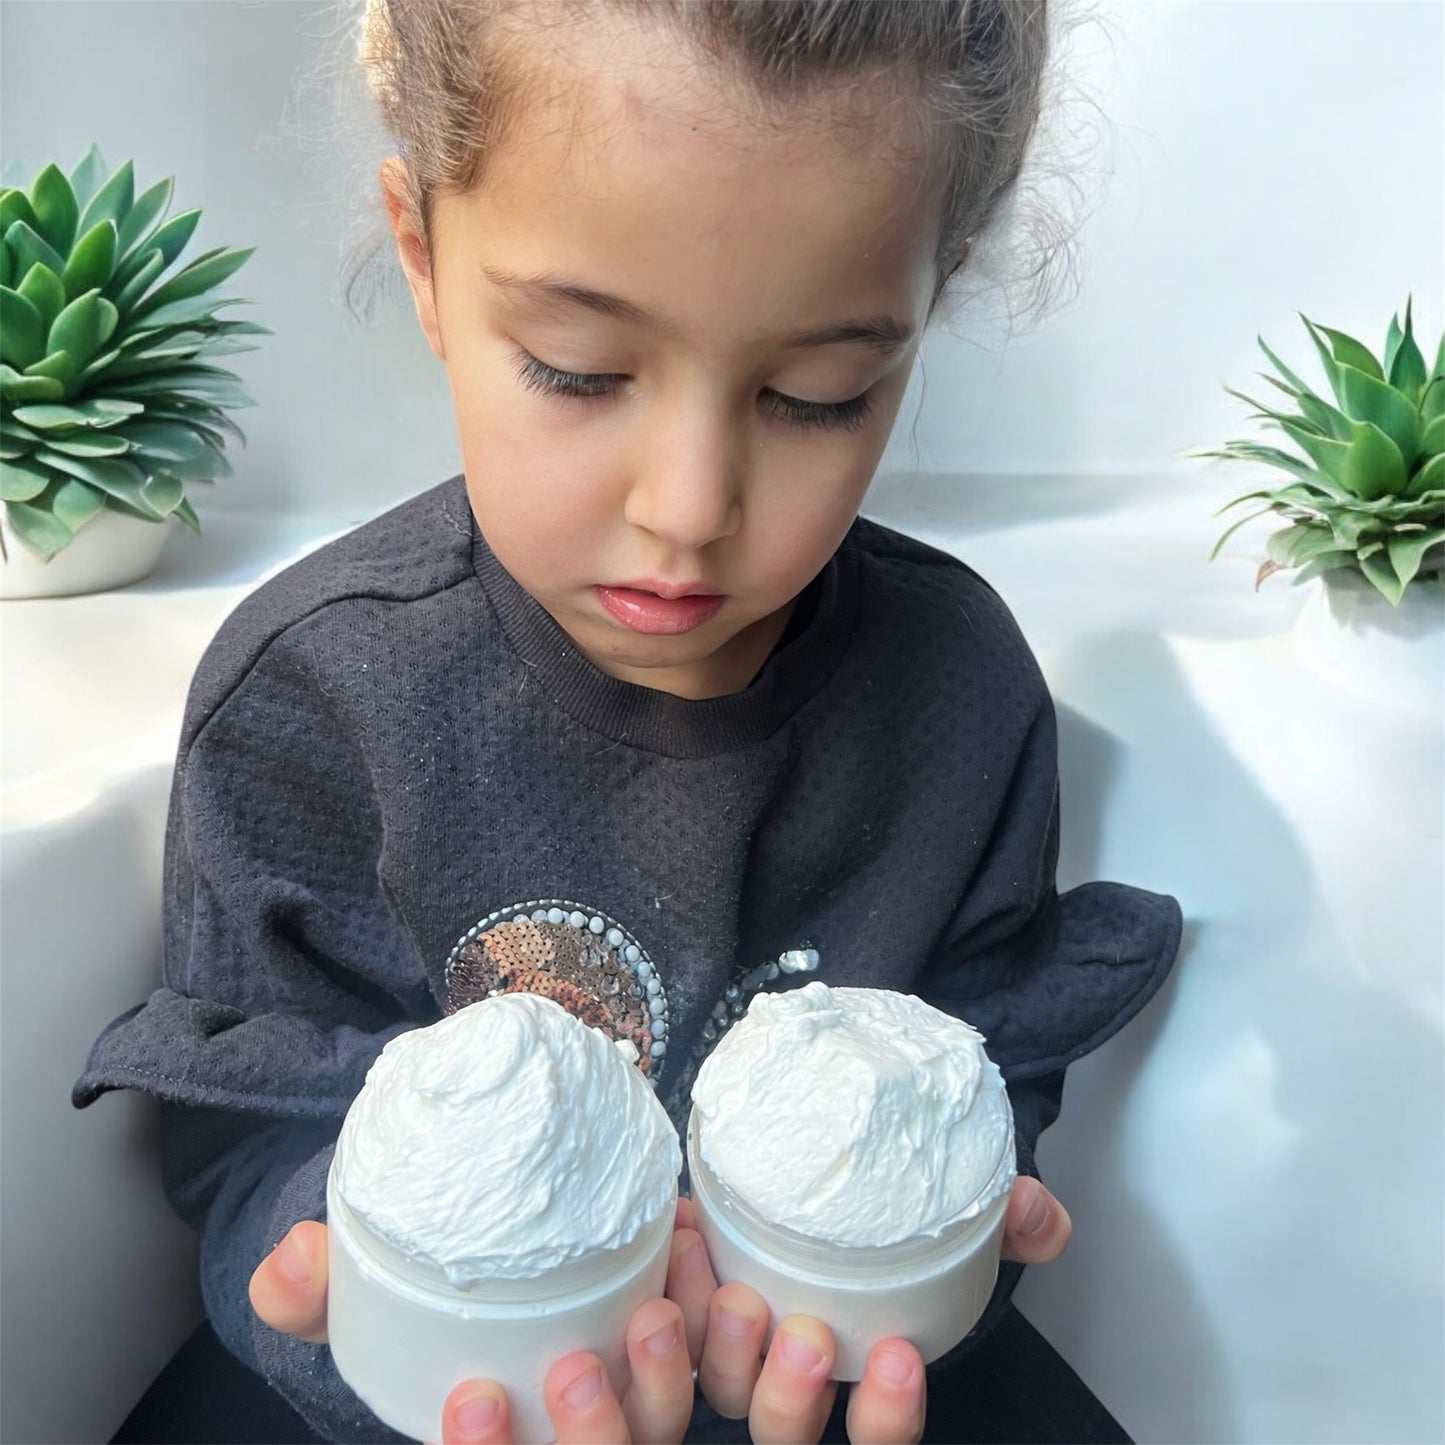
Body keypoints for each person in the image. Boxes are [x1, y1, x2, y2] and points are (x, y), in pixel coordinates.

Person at [74, 2, 1182, 1442]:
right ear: (423, 255)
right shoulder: (314, 696)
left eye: (817, 395)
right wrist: (367, 1298)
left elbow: (992, 1055)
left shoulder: (958, 690)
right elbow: (247, 1126)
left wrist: (948, 1225)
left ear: (929, 295)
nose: (689, 506)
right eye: (578, 370)